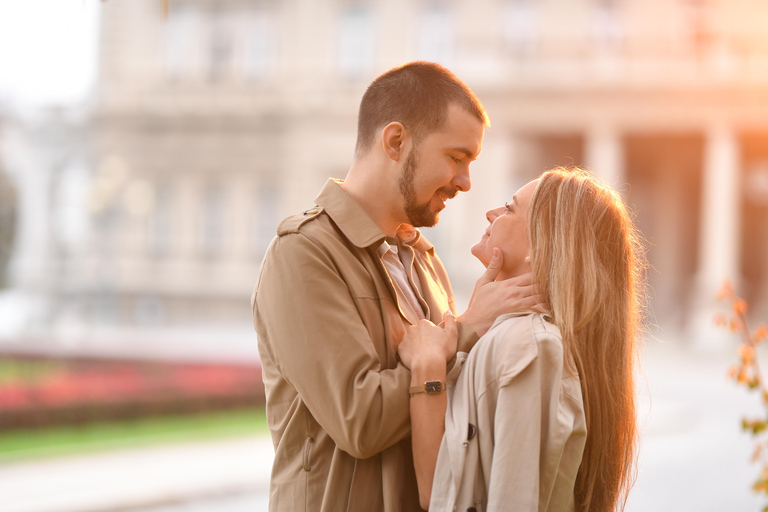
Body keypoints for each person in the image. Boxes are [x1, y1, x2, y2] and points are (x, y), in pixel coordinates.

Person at [252, 62, 540, 512]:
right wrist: (465, 330)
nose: (466, 182)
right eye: (456, 158)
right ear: (396, 142)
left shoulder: (425, 260)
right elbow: (359, 421)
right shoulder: (303, 254)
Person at [398, 168, 646, 512]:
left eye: (508, 208)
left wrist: (427, 367)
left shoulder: (529, 345)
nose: (491, 213)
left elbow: (446, 498)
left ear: (542, 246)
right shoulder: (513, 336)